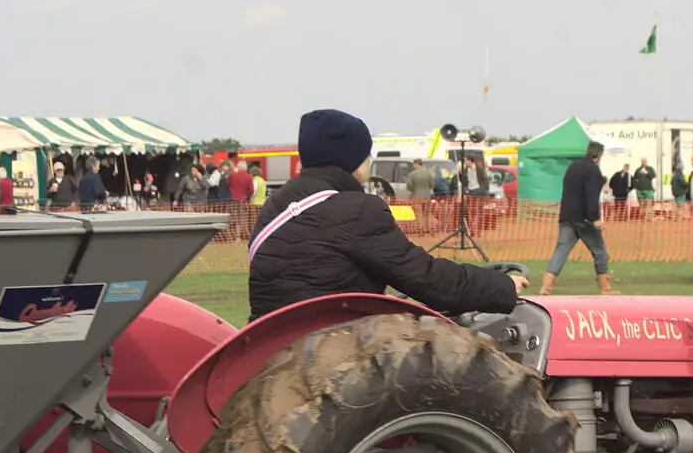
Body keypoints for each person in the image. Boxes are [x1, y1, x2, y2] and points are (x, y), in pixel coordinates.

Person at [247, 108, 522, 322]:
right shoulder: (358, 209)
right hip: (334, 346)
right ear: (352, 159)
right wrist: (502, 286)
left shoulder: (275, 207)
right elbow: (428, 280)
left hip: (273, 342)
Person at [540, 140, 614, 296]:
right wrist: (594, 218)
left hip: (567, 216)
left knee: (561, 251)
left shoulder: (573, 166)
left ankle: (545, 287)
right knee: (600, 251)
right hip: (584, 219)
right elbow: (591, 197)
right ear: (599, 155)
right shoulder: (593, 170)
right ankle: (605, 289)